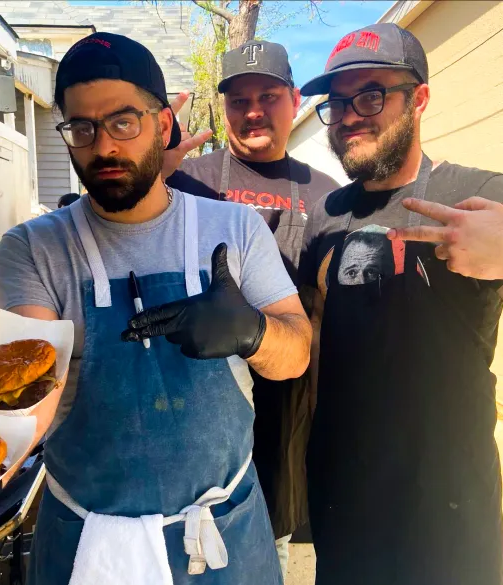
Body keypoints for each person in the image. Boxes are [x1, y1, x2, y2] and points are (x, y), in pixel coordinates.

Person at [0, 33, 311, 585]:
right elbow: (34, 388)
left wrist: (254, 332)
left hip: (221, 537)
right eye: (82, 127)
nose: (103, 147)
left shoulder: (234, 229)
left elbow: (297, 354)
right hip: (87, 540)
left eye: (123, 122)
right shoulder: (34, 248)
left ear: (164, 126)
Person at [299, 23, 503, 585]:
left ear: (420, 100)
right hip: (347, 504)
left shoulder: (480, 194)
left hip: (451, 513)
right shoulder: (325, 214)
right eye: (337, 103)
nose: (348, 116)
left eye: (371, 95)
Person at [166, 40, 340, 576]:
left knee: (267, 546)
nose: (254, 111)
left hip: (282, 406)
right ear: (224, 110)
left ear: (293, 101)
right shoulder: (186, 180)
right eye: (238, 100)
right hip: (191, 402)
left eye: (268, 95)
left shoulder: (327, 194)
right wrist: (154, 169)